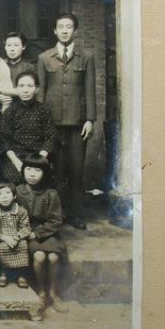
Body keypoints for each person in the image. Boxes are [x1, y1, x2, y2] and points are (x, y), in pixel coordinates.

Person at [37, 12, 96, 230]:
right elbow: (40, 93)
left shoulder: (86, 57)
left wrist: (90, 119)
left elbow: (90, 90)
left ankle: (76, 214)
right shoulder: (44, 58)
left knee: (76, 171)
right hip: (52, 124)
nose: (64, 30)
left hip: (78, 124)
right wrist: (41, 122)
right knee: (57, 171)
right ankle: (57, 214)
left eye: (69, 26)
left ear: (75, 30)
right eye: (60, 26)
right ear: (54, 30)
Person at [16, 154, 68, 315]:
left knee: (53, 257)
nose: (32, 174)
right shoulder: (17, 191)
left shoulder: (51, 194)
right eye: (28, 169)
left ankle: (53, 293)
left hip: (47, 232)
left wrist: (38, 233)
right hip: (26, 232)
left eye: (37, 170)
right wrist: (27, 232)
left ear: (45, 173)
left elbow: (55, 220)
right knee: (39, 256)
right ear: (23, 171)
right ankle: (41, 291)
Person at [0, 71, 56, 185]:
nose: (25, 90)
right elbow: (4, 140)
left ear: (37, 89)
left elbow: (50, 138)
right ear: (16, 88)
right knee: (13, 178)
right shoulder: (10, 111)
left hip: (38, 157)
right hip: (15, 157)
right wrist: (17, 163)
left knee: (44, 177)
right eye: (21, 86)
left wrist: (37, 161)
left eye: (30, 86)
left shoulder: (44, 110)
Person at [0, 182, 31, 289]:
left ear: (14, 196)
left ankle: (21, 274)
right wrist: (3, 237)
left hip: (17, 236)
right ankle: (3, 273)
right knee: (3, 247)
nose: (4, 197)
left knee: (23, 245)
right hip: (1, 237)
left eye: (7, 193)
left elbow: (26, 227)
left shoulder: (20, 210)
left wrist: (18, 237)